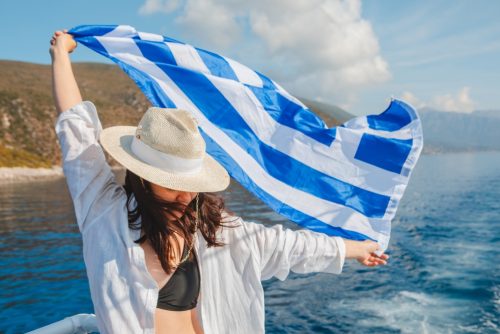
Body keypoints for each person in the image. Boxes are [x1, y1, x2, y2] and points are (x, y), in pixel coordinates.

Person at [50, 30, 389, 334]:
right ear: (143, 177)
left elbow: (287, 246)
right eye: (172, 183)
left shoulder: (212, 229)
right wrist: (61, 56)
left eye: (192, 183)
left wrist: (356, 250)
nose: (185, 196)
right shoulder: (102, 212)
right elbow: (77, 131)